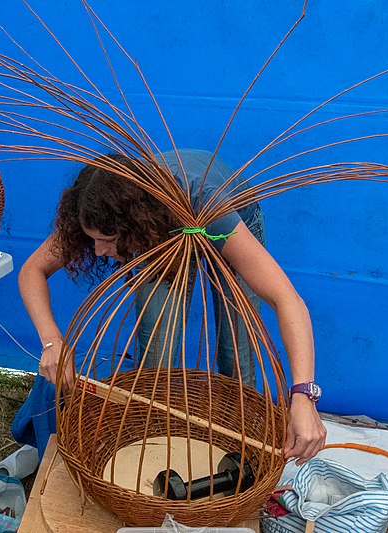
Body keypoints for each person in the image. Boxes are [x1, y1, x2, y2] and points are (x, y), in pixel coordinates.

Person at [18, 148, 326, 464]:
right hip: (159, 235)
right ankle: (154, 453)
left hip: (225, 219)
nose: (98, 251)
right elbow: (32, 271)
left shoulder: (209, 204)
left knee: (237, 354)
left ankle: (237, 453)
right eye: (92, 239)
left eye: (108, 240)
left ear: (136, 223)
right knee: (155, 357)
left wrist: (303, 396)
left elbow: (287, 299)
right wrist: (52, 341)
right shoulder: (99, 207)